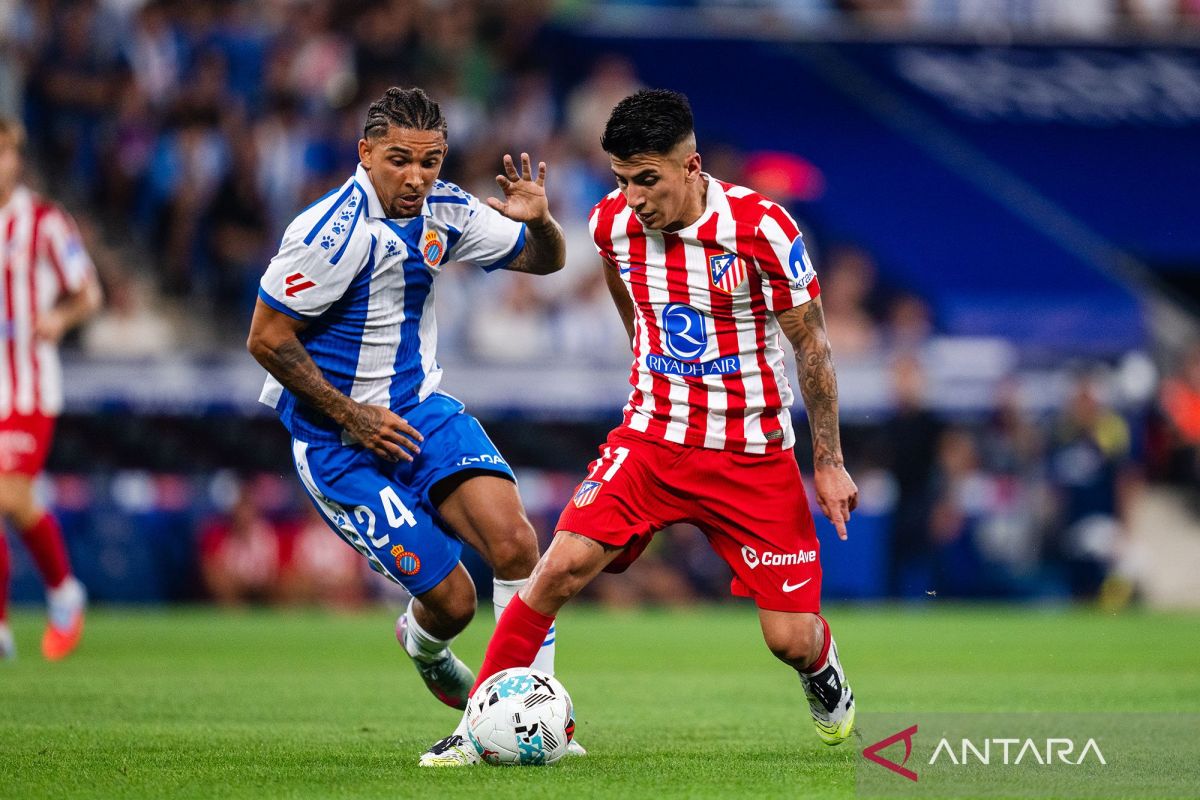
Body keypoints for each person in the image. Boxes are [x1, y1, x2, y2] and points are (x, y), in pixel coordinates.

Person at [422, 89, 860, 765]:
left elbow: (813, 348)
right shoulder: (611, 225)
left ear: (692, 166)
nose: (633, 199)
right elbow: (629, 297)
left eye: (647, 180)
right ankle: (476, 731)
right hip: (652, 441)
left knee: (789, 640)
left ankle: (822, 666)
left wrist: (827, 461)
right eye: (622, 181)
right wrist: (650, 380)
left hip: (751, 456)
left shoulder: (764, 230)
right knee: (556, 569)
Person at [246, 87, 585, 762]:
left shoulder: (446, 209)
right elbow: (265, 337)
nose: (416, 177)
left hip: (420, 410)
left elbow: (545, 261)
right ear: (366, 152)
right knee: (454, 603)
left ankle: (522, 716)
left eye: (430, 162)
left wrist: (541, 222)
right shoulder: (326, 234)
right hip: (337, 441)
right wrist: (350, 415)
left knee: (518, 545)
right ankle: (425, 644)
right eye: (400, 160)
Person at [0, 117, 102, 661]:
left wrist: (59, 320)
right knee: (11, 500)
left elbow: (89, 294)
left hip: (27, 389)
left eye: (4, 153)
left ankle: (64, 593)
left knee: (7, 495)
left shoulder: (44, 223)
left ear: (17, 158)